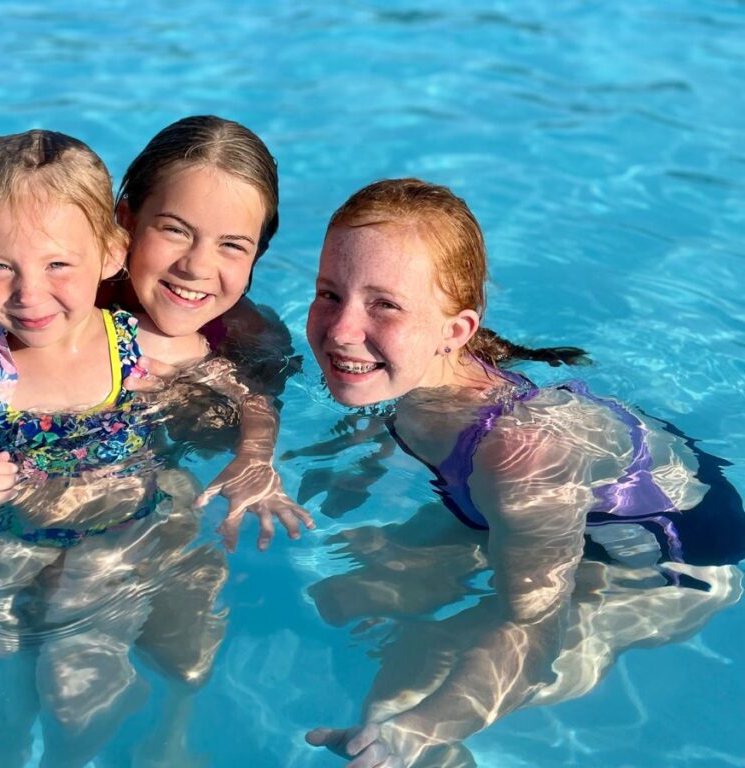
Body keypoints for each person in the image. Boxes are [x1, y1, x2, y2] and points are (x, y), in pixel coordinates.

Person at [301, 178, 745, 767]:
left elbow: (534, 634)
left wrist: (418, 732)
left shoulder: (520, 455)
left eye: (383, 304)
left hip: (669, 564)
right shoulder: (419, 375)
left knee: (405, 689)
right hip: (542, 520)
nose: (339, 329)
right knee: (340, 597)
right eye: (329, 293)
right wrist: (361, 458)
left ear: (454, 332)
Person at [0, 116, 312, 550]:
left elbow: (248, 410)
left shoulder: (247, 334)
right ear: (125, 226)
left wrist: (252, 457)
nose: (196, 267)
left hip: (134, 503)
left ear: (258, 252)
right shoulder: (49, 302)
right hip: (25, 520)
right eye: (175, 230)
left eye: (232, 244)